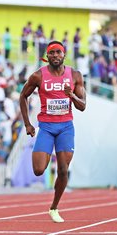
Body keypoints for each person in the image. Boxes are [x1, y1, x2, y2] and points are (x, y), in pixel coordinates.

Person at [19, 41, 86, 223]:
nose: (55, 55)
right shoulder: (38, 76)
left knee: (63, 170)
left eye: (58, 52)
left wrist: (71, 95)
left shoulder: (75, 75)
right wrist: (27, 124)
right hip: (46, 127)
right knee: (39, 170)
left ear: (64, 55)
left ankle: (54, 207)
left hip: (65, 127)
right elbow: (23, 96)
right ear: (47, 56)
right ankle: (47, 154)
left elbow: (83, 106)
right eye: (52, 53)